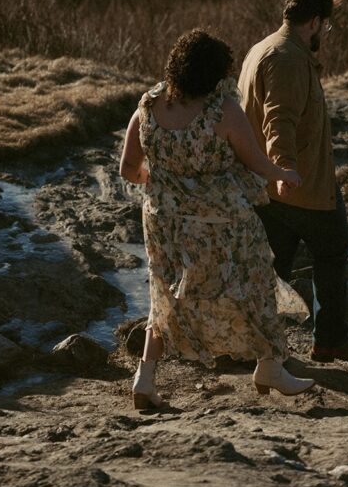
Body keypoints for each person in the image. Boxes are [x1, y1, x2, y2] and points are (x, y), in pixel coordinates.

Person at [120, 28, 316, 409]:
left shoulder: (148, 105)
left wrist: (163, 183)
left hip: (164, 223)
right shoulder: (221, 110)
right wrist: (284, 174)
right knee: (255, 284)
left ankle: (145, 378)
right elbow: (254, 160)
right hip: (223, 223)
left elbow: (129, 168)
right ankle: (270, 366)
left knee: (165, 297)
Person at [238, 0, 348, 364]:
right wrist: (285, 169)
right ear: (314, 22)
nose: (324, 34)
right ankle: (329, 340)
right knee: (331, 251)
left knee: (269, 269)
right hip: (300, 185)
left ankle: (248, 345)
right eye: (325, 27)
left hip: (269, 183)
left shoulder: (261, 48)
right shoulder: (289, 58)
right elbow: (278, 119)